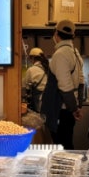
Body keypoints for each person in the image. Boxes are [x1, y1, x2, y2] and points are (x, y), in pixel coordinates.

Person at [43, 19, 84, 150]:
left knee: (61, 147)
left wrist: (74, 109)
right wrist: (78, 105)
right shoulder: (75, 53)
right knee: (66, 143)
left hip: (60, 109)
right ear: (73, 35)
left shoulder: (60, 54)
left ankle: (66, 164)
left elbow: (65, 87)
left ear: (56, 35)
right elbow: (81, 81)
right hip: (68, 108)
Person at [22, 47, 49, 112]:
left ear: (33, 58)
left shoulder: (31, 70)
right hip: (49, 98)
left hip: (38, 101)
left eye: (30, 58)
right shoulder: (48, 68)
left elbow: (24, 86)